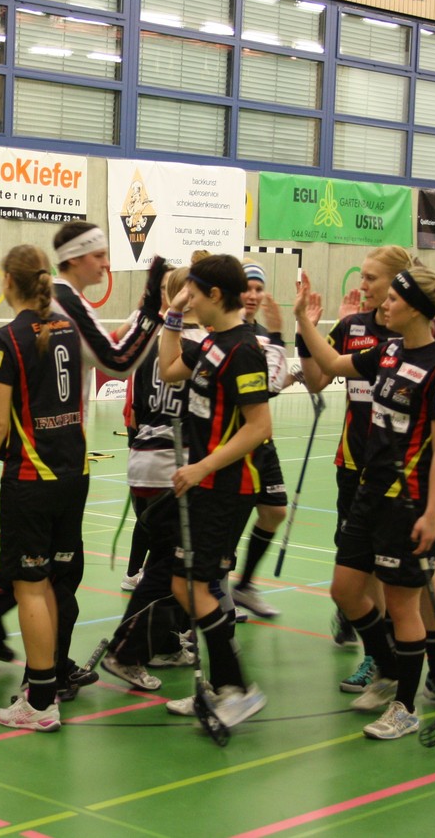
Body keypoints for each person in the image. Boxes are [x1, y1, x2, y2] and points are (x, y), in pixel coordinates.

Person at [0, 221, 167, 700]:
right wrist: (151, 311)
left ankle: (41, 684)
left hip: (39, 470)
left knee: (38, 583)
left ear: (8, 281)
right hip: (65, 467)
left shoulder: (31, 325)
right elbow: (116, 360)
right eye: (99, 255)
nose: (106, 263)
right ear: (68, 261)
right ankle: (45, 676)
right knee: (50, 583)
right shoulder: (66, 315)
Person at [294, 264, 435, 741]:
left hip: (407, 504)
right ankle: (389, 667)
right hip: (369, 492)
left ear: (415, 309)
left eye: (392, 299)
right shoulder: (388, 351)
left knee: (403, 606)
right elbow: (333, 366)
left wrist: (431, 515)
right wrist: (303, 321)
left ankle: (404, 707)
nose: (383, 304)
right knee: (345, 589)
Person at [0, 244, 85, 731]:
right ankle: (42, 688)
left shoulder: (6, 338)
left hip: (32, 479)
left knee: (29, 587)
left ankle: (40, 704)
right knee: (49, 583)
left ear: (8, 281)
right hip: (73, 473)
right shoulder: (68, 327)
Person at [153, 253, 272, 728]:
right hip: (204, 484)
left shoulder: (243, 350)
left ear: (216, 295)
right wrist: (173, 312)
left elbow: (259, 427)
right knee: (187, 584)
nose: (191, 300)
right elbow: (168, 369)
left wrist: (202, 466)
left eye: (195, 293)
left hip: (227, 486)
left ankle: (237, 690)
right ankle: (223, 685)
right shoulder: (211, 343)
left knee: (195, 585)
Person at [297, 246, 410, 693]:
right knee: (362, 567)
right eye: (362, 277)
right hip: (353, 464)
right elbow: (317, 379)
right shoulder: (352, 328)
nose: (362, 285)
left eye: (370, 278)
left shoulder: (414, 334)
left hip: (402, 470)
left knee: (397, 573)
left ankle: (427, 661)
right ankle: (377, 656)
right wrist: (305, 327)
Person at [100, 267, 202, 692]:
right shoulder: (196, 345)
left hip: (143, 460)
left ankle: (162, 642)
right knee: (170, 565)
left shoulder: (152, 343)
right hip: (171, 466)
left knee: (166, 557)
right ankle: (126, 651)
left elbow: (137, 408)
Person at [231, 262, 297, 619]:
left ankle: (243, 586)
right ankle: (218, 594)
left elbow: (269, 382)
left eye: (259, 288)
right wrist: (279, 337)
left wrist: (292, 375)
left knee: (274, 511)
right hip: (236, 440)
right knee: (232, 518)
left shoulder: (260, 332)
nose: (253, 295)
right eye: (247, 288)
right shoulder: (231, 330)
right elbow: (264, 385)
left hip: (262, 440)